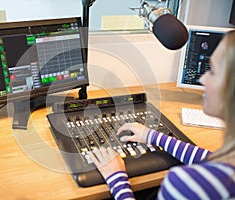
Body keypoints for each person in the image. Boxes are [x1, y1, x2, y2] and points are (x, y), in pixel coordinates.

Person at [88, 30, 235, 200]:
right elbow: (210, 158)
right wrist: (154, 137)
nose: (203, 79)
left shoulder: (185, 183)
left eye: (213, 71)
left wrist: (116, 178)